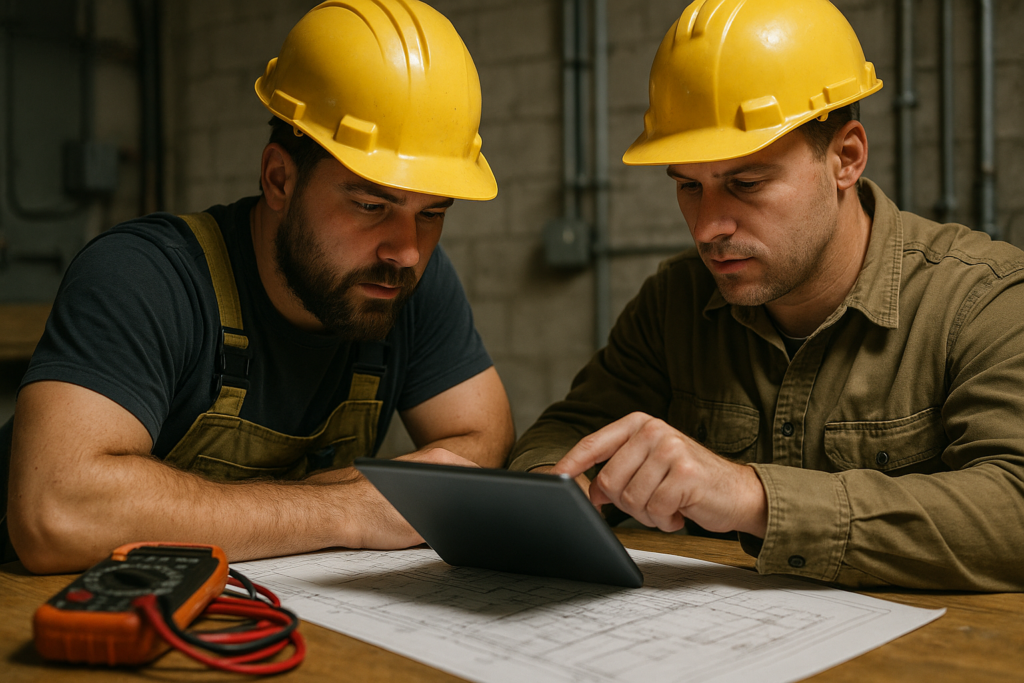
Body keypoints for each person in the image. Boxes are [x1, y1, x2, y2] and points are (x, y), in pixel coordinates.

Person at [509, 0, 1024, 592]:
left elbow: (1015, 506)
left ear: (846, 158)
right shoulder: (674, 301)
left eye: (746, 183)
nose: (708, 228)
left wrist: (752, 496)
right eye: (689, 187)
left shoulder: (983, 299)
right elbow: (565, 433)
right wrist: (559, 484)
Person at [4, 0, 514, 574]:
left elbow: (482, 437)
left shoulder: (402, 280)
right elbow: (56, 513)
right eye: (373, 205)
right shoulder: (144, 276)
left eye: (432, 212)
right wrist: (344, 507)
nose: (407, 250)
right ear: (279, 178)